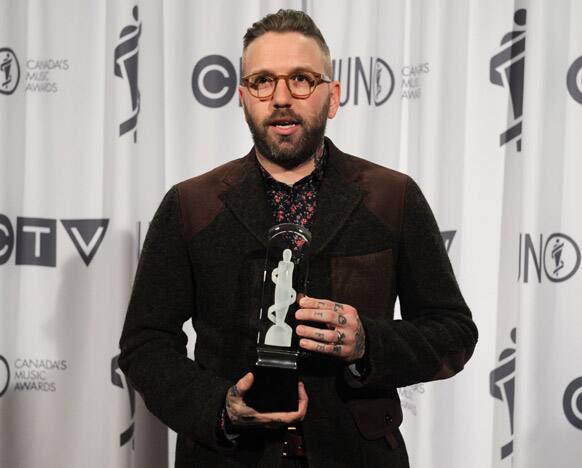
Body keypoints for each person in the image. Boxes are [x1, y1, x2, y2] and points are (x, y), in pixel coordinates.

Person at [118, 9, 478, 468]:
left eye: (303, 79)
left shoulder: (394, 197)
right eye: (263, 81)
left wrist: (369, 342)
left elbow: (452, 332)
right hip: (228, 458)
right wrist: (221, 407)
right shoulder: (190, 204)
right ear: (243, 96)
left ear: (333, 96)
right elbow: (145, 343)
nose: (282, 97)